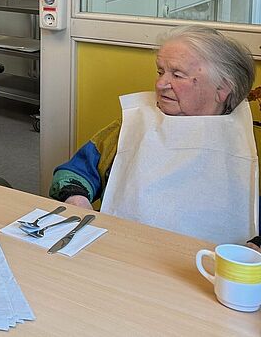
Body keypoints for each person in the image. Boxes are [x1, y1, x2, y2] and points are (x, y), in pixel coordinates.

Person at [50, 25, 260, 247]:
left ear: (222, 89)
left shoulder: (241, 142)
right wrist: (77, 198)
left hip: (206, 267)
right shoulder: (132, 126)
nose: (160, 84)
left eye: (177, 75)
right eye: (160, 72)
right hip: (120, 250)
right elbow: (71, 173)